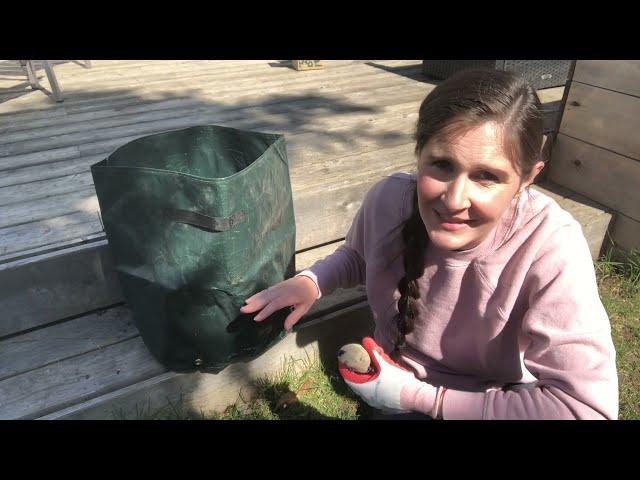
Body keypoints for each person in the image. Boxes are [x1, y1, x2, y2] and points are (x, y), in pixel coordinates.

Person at [240, 68, 619, 420]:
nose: (454, 200)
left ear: (527, 178)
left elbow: (584, 407)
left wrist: (420, 398)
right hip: (392, 380)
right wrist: (313, 282)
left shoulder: (550, 244)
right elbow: (359, 255)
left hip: (486, 402)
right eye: (441, 165)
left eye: (487, 176)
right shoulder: (389, 200)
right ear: (418, 155)